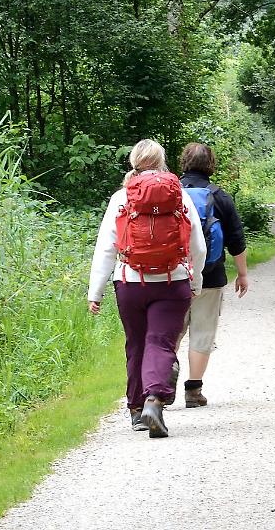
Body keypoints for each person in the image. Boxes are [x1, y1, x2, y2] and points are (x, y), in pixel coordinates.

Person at [89, 139, 206, 438]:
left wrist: (96, 292)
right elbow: (198, 246)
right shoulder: (180, 195)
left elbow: (106, 249)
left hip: (130, 283)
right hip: (172, 281)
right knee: (161, 342)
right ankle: (154, 400)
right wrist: (195, 280)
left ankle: (136, 410)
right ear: (162, 162)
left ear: (134, 162)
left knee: (136, 343)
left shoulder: (121, 198)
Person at [176, 142, 249, 407]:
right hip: (211, 275)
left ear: (184, 162)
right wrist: (242, 274)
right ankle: (193, 391)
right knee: (202, 332)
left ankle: (163, 379)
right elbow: (236, 240)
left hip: (174, 276)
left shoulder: (170, 193)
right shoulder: (220, 196)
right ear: (211, 165)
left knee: (171, 331)